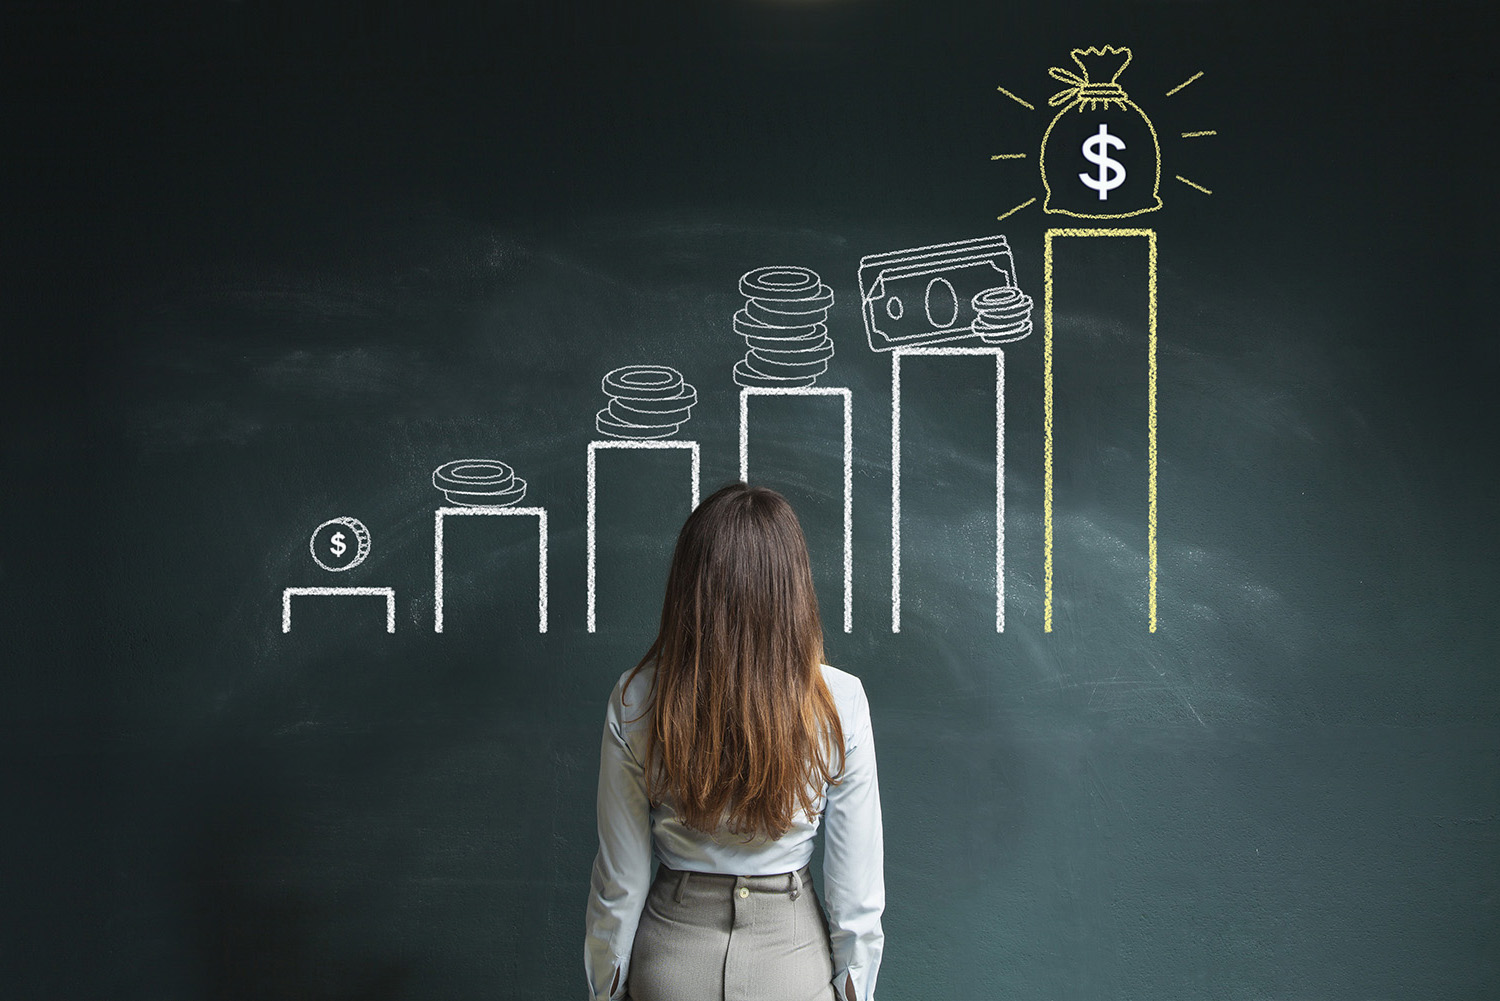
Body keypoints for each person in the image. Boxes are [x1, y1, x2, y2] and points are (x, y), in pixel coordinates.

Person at [584, 483, 884, 1001]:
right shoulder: (841, 701)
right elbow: (854, 893)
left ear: (690, 585)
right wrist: (854, 989)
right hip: (790, 966)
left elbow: (621, 883)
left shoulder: (635, 697)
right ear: (793, 585)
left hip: (670, 961)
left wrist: (607, 987)